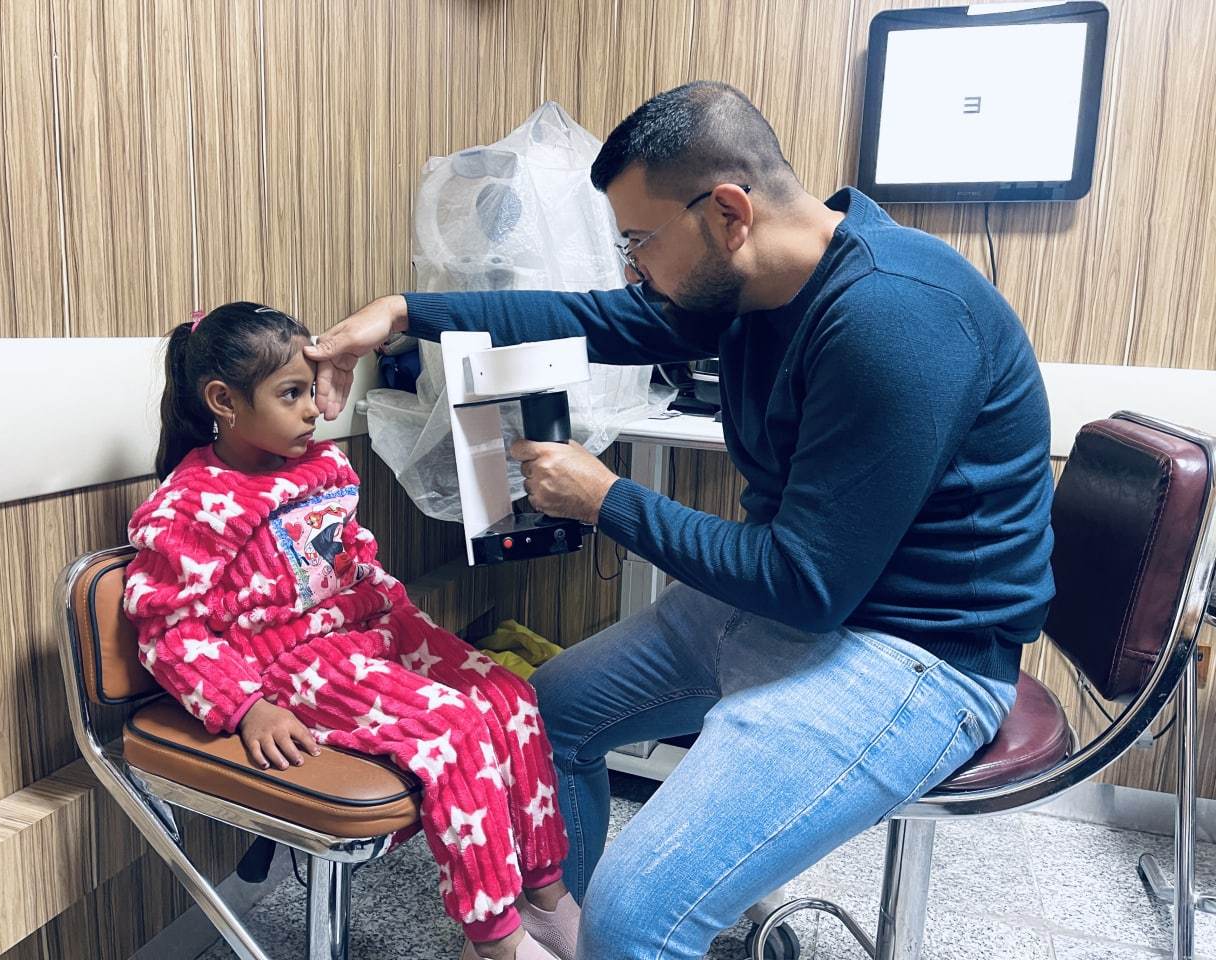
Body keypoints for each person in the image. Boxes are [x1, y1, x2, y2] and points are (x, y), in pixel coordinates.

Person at [308, 81, 1054, 960]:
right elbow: (592, 318)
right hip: (799, 603)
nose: (632, 269)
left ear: (729, 212)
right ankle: (566, 932)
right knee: (547, 717)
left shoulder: (895, 317)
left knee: (638, 914)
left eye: (638, 241)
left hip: (917, 649)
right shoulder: (756, 290)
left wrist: (606, 499)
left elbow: (804, 582)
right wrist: (405, 314)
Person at [122, 301, 581, 960]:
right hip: (294, 662)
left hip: (373, 626)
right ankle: (496, 941)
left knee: (511, 698)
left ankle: (546, 897)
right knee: (452, 729)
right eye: (292, 394)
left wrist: (407, 623)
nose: (315, 409)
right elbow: (167, 631)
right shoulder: (191, 506)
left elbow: (352, 556)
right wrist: (247, 708)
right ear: (224, 401)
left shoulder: (324, 465)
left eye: (312, 390)